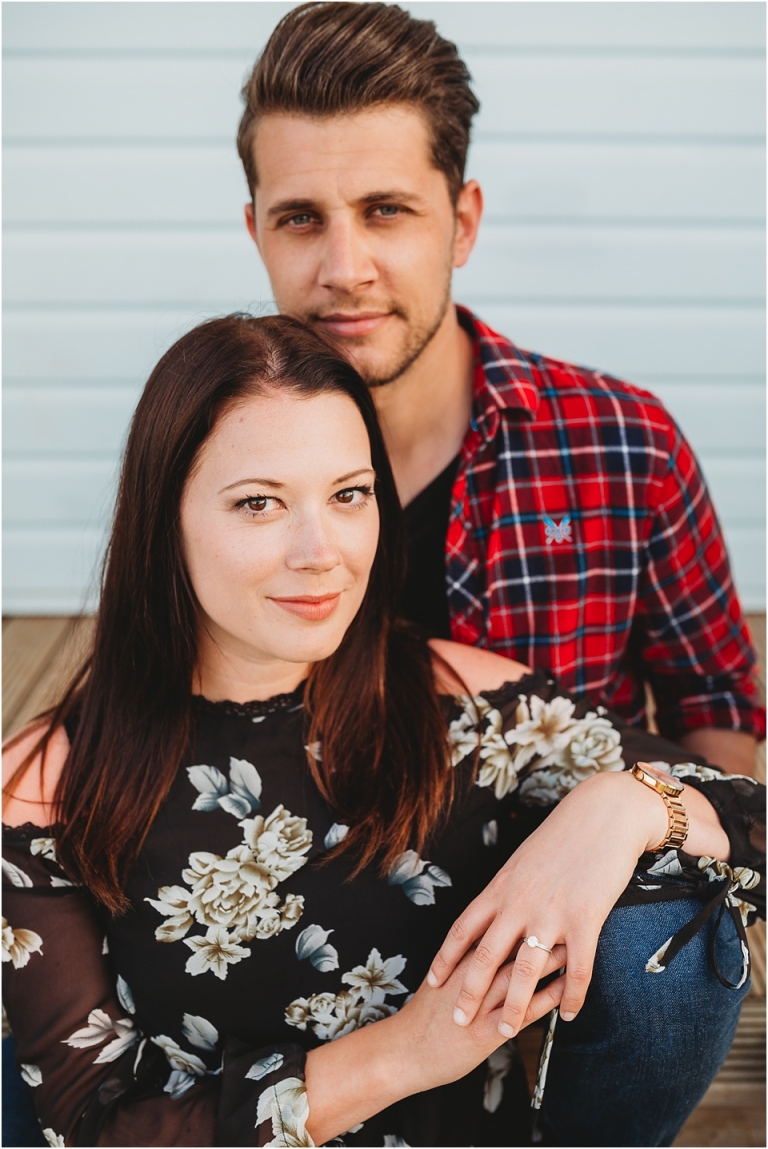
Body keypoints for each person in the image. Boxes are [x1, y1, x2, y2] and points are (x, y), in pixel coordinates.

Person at [2, 315, 765, 1148]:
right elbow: (92, 1125)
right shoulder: (47, 782)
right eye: (258, 503)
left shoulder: (468, 705)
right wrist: (408, 1051)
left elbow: (749, 816)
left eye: (348, 494)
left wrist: (625, 805)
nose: (319, 550)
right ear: (165, 519)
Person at [237, 1, 765, 782]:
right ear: (257, 233)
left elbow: (712, 704)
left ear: (463, 223)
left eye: (386, 211)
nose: (345, 269)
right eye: (302, 219)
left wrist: (652, 835)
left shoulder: (625, 444)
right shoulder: (209, 456)